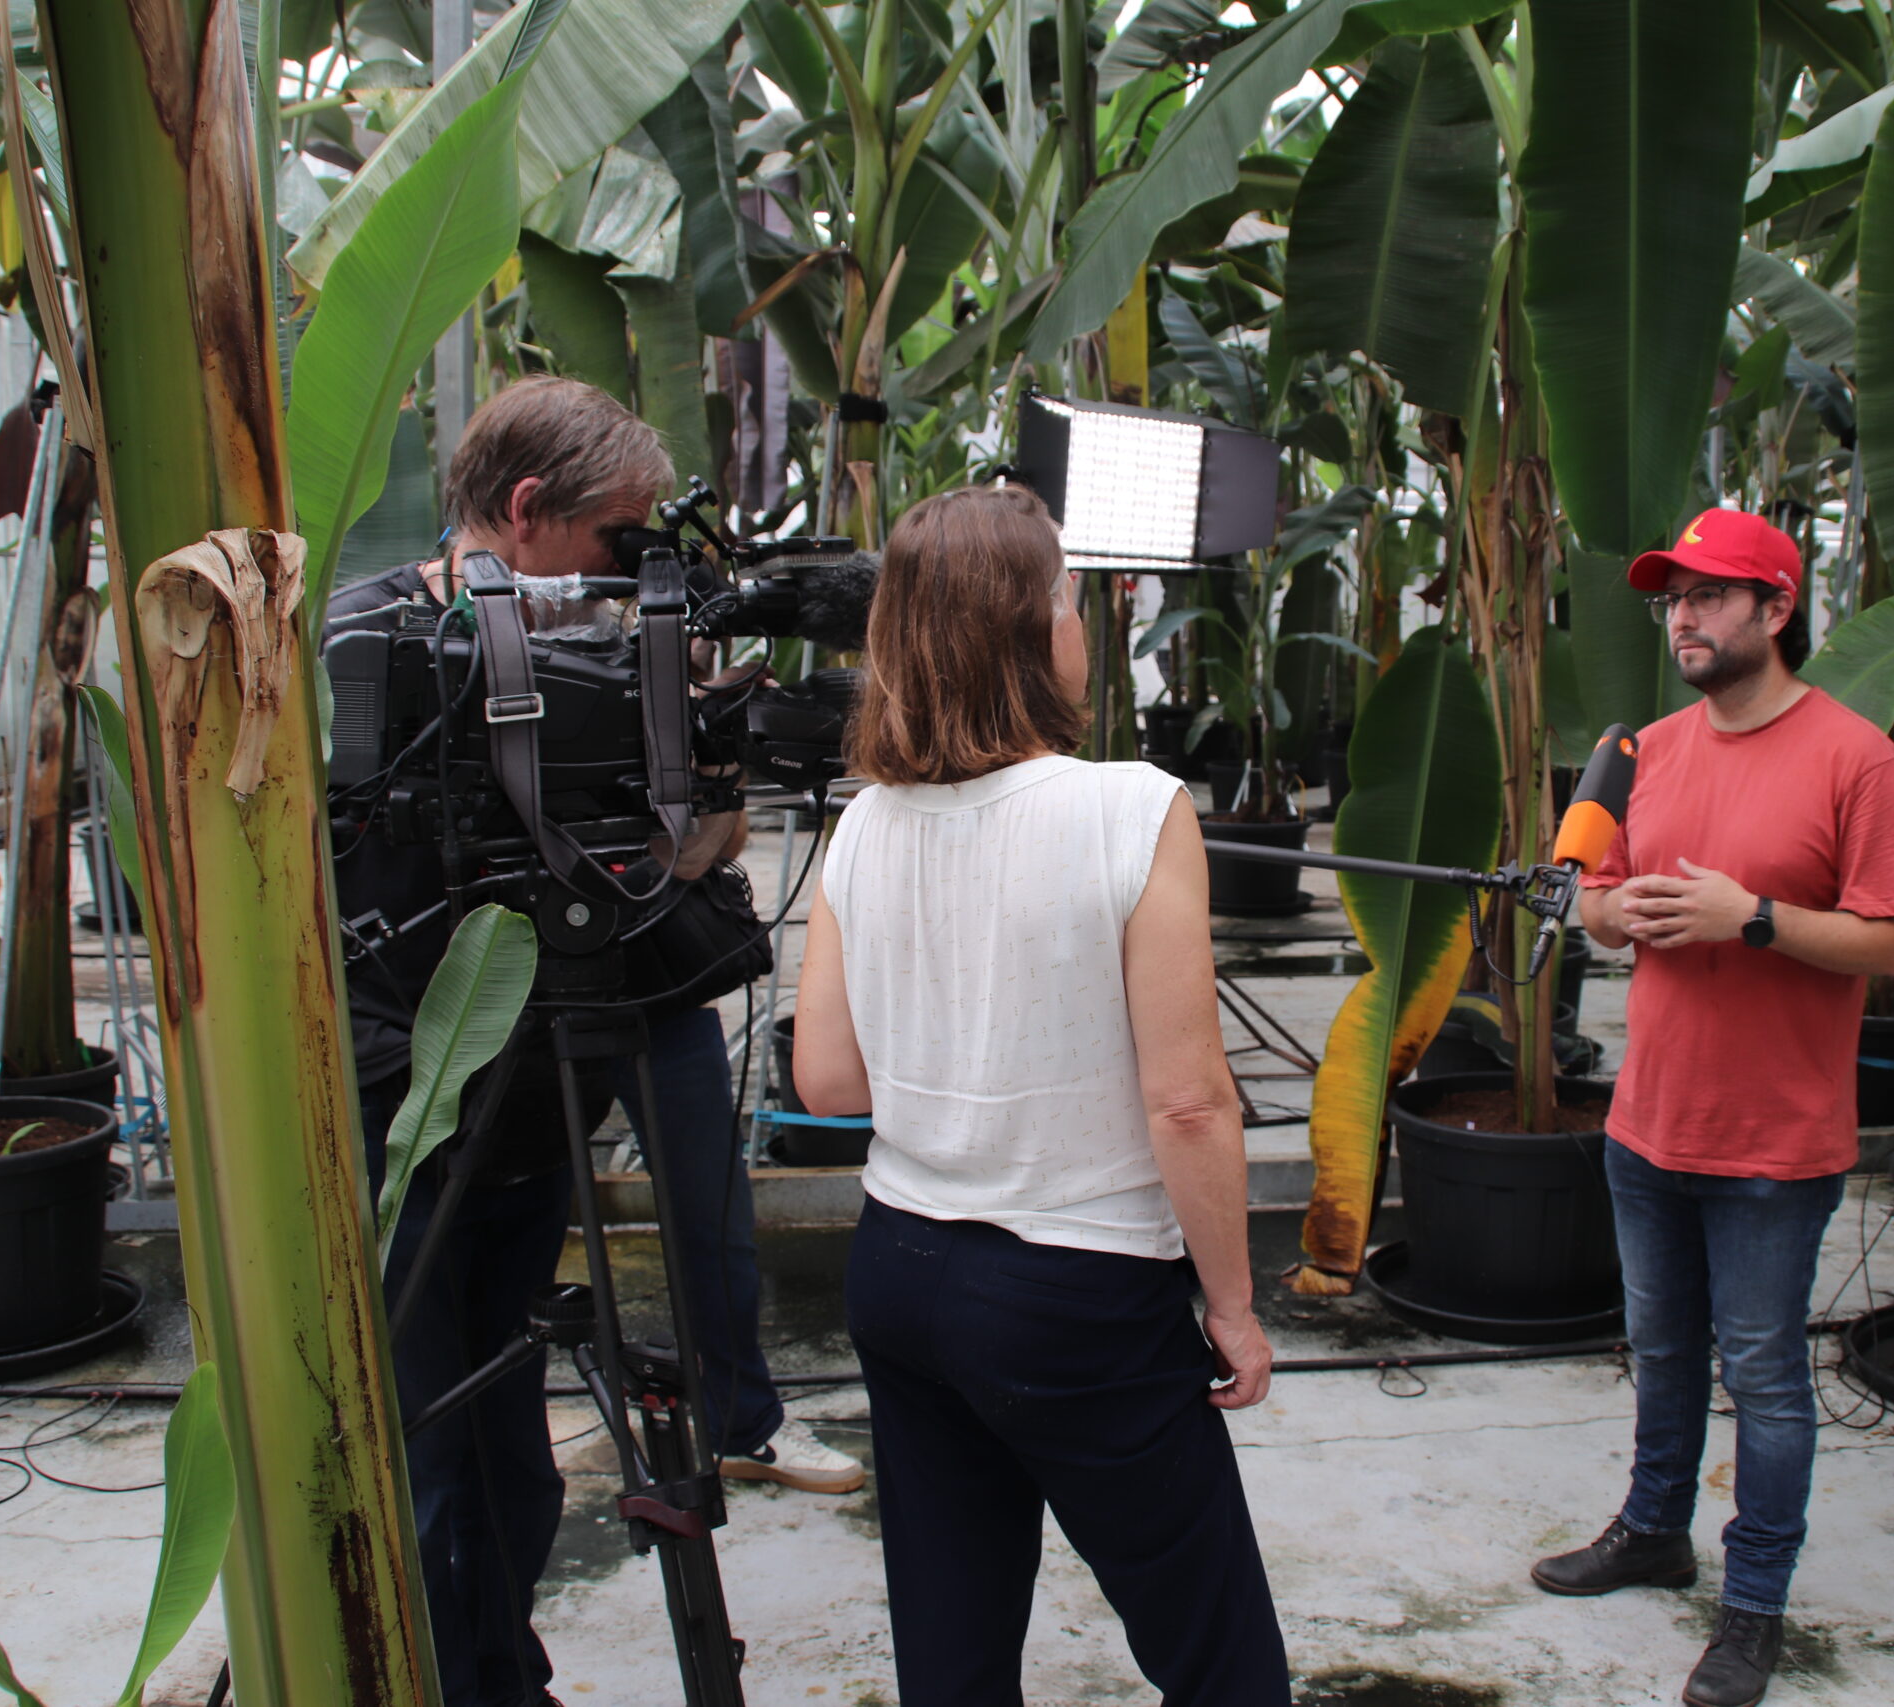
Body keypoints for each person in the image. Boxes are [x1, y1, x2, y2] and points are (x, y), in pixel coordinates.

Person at [327, 377, 860, 1707]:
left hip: (546, 1077)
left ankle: (505, 1665)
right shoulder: (368, 642)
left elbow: (692, 855)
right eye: (622, 534)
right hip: (413, 1094)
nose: (639, 565)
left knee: (506, 1430)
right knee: (439, 1431)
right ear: (526, 511)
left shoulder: (636, 640)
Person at [789, 483, 1288, 1707]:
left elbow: (828, 1080)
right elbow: (1187, 1102)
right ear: (1029, 626)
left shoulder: (863, 824)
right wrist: (1231, 1304)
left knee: (952, 1651)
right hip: (1080, 1292)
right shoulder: (1133, 807)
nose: (1079, 620)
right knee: (1217, 1654)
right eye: (1068, 595)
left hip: (902, 1270)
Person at [1543, 508, 1894, 1707]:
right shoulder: (1645, 748)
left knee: (1762, 1375)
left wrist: (1749, 917)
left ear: (1775, 610)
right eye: (1672, 598)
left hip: (1774, 1140)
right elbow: (1588, 893)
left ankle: (1751, 1607)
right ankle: (1654, 1530)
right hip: (1647, 1121)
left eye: (1710, 595)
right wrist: (1612, 915)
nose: (1683, 618)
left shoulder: (1856, 759)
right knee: (1660, 1350)